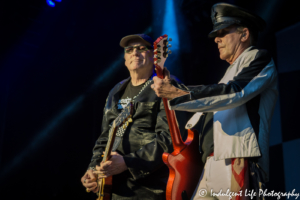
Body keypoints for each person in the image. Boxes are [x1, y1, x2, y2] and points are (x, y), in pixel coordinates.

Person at [152, 3, 278, 200]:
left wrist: (177, 93)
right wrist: (174, 90)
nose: (216, 39)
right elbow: (213, 98)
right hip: (210, 163)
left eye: (223, 33)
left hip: (237, 158)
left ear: (244, 35)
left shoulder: (258, 57)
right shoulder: (230, 71)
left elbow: (235, 92)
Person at [81, 34, 183, 200]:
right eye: (129, 50)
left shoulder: (166, 85)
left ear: (154, 55)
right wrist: (93, 169)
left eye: (142, 48)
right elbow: (104, 137)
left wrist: (129, 162)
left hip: (149, 188)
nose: (135, 52)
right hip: (114, 187)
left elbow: (171, 137)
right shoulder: (116, 91)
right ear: (125, 59)